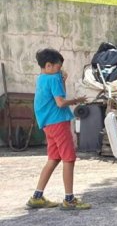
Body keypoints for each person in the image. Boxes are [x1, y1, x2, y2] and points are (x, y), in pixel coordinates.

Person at [27, 48, 91, 210]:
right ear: (48, 65)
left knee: (54, 158)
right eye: (58, 67)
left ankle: (37, 197)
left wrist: (62, 80)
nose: (60, 70)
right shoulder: (53, 78)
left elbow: (57, 96)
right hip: (58, 122)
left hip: (48, 124)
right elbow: (61, 102)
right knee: (69, 158)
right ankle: (69, 199)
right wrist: (77, 100)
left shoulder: (42, 78)